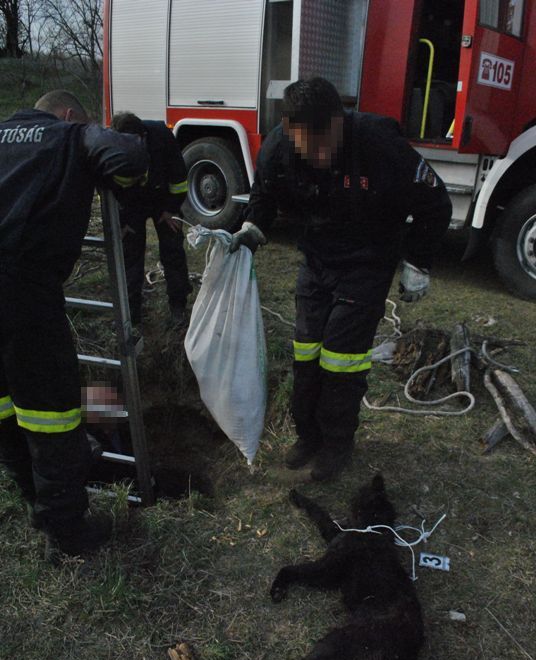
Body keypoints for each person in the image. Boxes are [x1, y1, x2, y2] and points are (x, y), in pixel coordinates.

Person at [231, 77, 452, 481]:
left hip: (367, 261)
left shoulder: (378, 144)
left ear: (339, 121)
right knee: (306, 353)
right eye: (307, 146)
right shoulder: (279, 148)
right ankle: (308, 436)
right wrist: (251, 228)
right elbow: (264, 195)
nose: (317, 155)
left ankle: (336, 443)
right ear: (290, 131)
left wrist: (418, 262)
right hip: (317, 260)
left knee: (341, 360)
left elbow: (435, 201)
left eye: (324, 143)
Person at [0, 90, 148, 560]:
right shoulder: (67, 135)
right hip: (21, 292)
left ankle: (35, 500)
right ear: (68, 115)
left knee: (4, 404)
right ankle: (65, 533)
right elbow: (128, 156)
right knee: (52, 413)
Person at [110, 112, 191, 327]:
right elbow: (109, 189)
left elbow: (179, 177)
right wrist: (121, 221)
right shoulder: (109, 146)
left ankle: (178, 306)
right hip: (131, 205)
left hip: (163, 199)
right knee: (130, 256)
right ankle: (131, 315)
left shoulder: (161, 136)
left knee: (173, 250)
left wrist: (171, 209)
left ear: (142, 137)